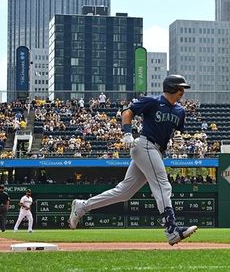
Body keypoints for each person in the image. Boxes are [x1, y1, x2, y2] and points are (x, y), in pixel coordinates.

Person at [68, 75, 197, 245]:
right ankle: (171, 229)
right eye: (180, 88)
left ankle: (82, 206)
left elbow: (174, 132)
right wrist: (127, 133)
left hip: (157, 151)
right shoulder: (153, 101)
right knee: (163, 185)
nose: (183, 92)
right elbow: (127, 112)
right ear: (172, 88)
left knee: (124, 192)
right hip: (145, 145)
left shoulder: (180, 111)